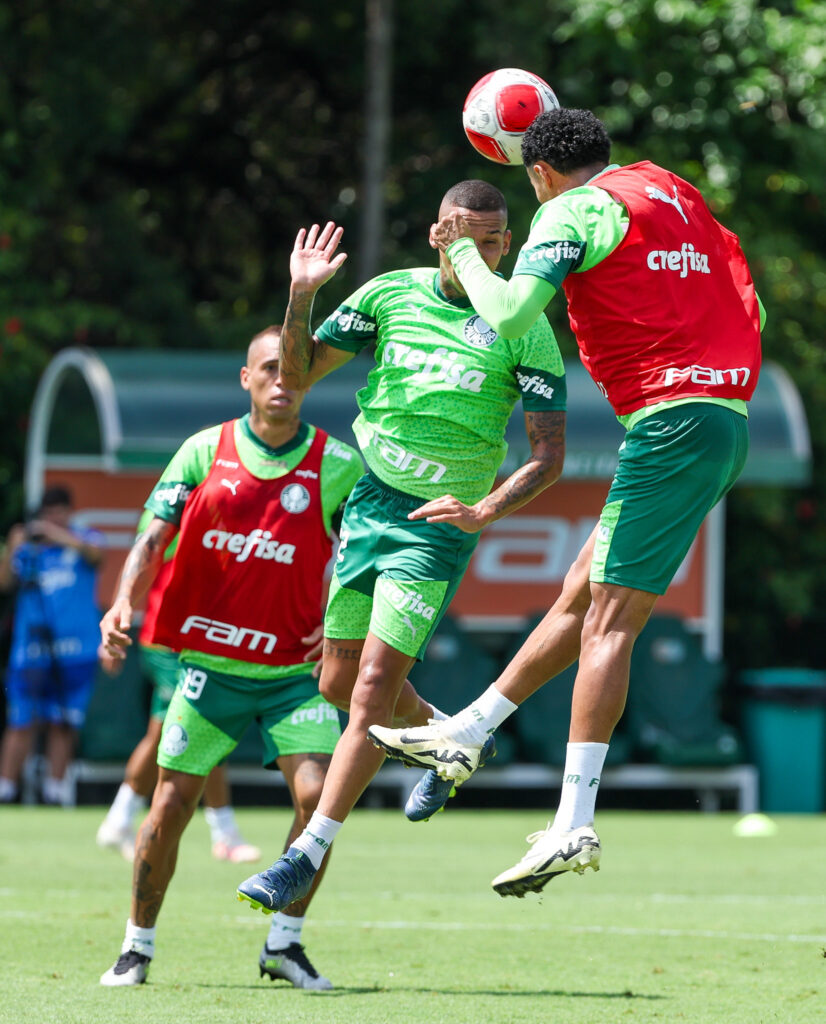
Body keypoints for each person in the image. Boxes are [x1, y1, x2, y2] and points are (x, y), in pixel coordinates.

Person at [369, 108, 764, 898]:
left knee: (609, 622)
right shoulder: (667, 188)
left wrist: (458, 252)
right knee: (579, 592)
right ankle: (467, 733)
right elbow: (743, 291)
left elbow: (512, 311)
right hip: (720, 415)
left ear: (540, 174)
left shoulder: (571, 208)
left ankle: (572, 824)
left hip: (672, 420)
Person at [236, 179, 567, 915]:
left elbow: (549, 457)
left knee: (369, 691)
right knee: (334, 681)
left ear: (507, 245)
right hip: (371, 504)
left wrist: (482, 509)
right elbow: (294, 376)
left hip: (435, 527)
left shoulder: (526, 326)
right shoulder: (391, 295)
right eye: (461, 238)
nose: (476, 253)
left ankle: (304, 853)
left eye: (490, 241)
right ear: (435, 236)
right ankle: (451, 740)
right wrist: (301, 295)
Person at [98, 326, 363, 989]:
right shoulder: (203, 451)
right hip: (210, 671)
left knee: (318, 803)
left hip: (293, 680)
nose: (284, 381)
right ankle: (136, 947)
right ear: (246, 379)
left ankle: (285, 944)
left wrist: (341, 630)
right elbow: (152, 534)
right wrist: (123, 603)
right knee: (170, 807)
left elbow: (367, 559)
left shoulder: (339, 465)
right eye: (270, 369)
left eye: (296, 371)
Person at [95, 527, 261, 864]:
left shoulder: (228, 501)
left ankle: (118, 819)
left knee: (161, 734)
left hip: (198, 642)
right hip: (169, 642)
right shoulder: (179, 504)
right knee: (204, 726)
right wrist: (114, 628)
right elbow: (141, 558)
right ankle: (224, 834)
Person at [0, 485, 104, 806]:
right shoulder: (29, 549)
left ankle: (55, 792)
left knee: (65, 722)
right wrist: (14, 549)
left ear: (69, 512)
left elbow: (95, 555)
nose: (53, 518)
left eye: (59, 511)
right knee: (21, 721)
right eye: (47, 513)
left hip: (77, 652)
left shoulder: (86, 538)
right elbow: (4, 584)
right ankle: (5, 789)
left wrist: (55, 534)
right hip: (30, 652)